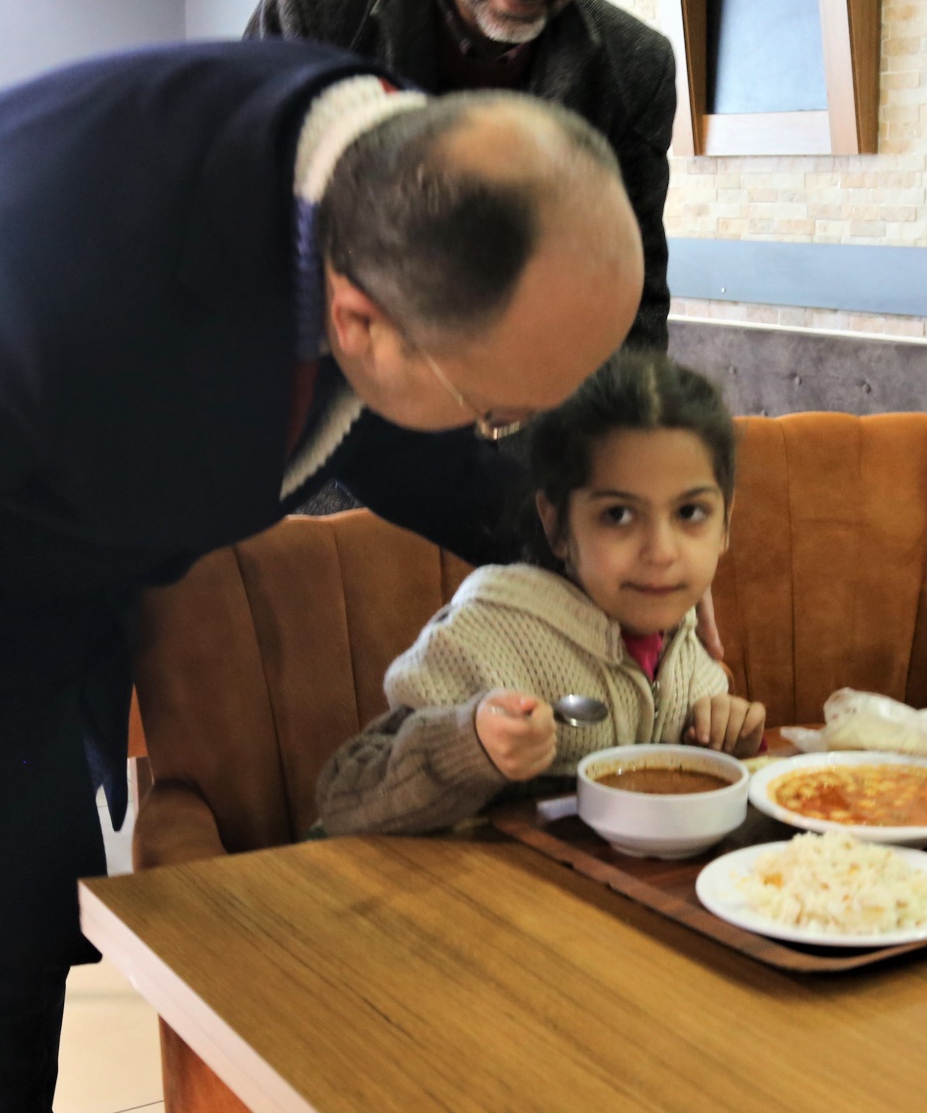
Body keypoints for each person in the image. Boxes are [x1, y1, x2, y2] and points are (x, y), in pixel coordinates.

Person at [0, 40, 643, 1113]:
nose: (507, 433)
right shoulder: (34, 278)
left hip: (33, 571)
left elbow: (435, 453)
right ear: (356, 321)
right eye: (502, 412)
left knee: (27, 922)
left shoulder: (388, 182)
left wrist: (609, 562)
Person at [247, 0, 676, 351]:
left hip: (523, 402)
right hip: (335, 380)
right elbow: (238, 234)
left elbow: (630, 294)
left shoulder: (635, 66)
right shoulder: (311, 14)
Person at [312, 351, 766, 836]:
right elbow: (344, 798)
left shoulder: (686, 655)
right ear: (556, 525)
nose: (661, 551)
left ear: (726, 522)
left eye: (690, 513)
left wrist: (727, 736)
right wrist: (471, 744)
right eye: (617, 515)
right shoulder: (489, 637)